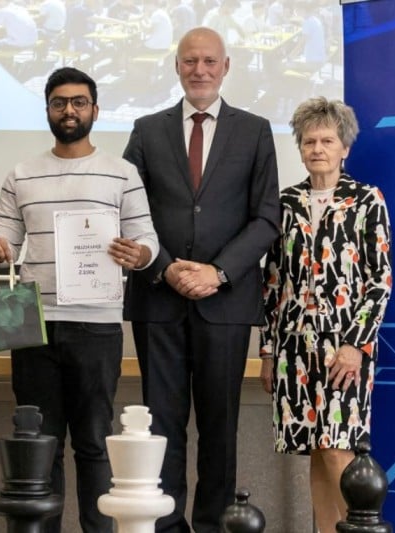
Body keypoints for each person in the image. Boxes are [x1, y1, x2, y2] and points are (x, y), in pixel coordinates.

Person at [0, 67, 159, 533]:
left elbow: (147, 241)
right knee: (39, 445)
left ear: (95, 111)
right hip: (31, 322)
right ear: (47, 110)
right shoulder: (21, 174)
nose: (69, 110)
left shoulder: (123, 173)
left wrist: (138, 254)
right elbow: (5, 235)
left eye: (79, 102)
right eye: (60, 102)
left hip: (97, 324)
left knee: (94, 443)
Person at [122, 27, 280, 533]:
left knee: (220, 428)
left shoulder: (255, 131)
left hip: (227, 302)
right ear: (177, 66)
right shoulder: (146, 130)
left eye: (210, 61)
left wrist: (218, 271)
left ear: (226, 67)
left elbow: (266, 219)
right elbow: (129, 210)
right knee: (162, 427)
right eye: (190, 60)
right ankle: (165, 526)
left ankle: (212, 527)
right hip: (158, 300)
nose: (200, 70)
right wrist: (165, 265)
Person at [259, 97, 392, 533]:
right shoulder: (285, 203)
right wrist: (267, 351)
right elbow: (273, 281)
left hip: (345, 348)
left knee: (338, 448)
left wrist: (357, 344)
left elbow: (379, 280)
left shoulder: (366, 201)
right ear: (299, 148)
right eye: (310, 141)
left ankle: (360, 528)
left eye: (327, 140)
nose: (318, 148)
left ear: (344, 148)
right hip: (293, 348)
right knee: (316, 450)